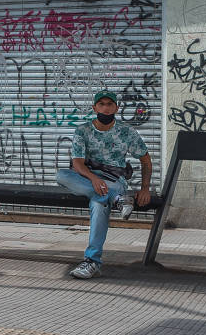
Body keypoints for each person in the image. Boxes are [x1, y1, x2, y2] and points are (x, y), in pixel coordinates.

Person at [56, 89, 152, 279]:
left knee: (98, 204)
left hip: (114, 180)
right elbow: (77, 163)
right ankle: (117, 199)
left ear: (116, 107)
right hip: (88, 179)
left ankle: (92, 262)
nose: (106, 108)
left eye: (110, 104)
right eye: (102, 104)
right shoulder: (83, 130)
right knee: (62, 175)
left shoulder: (126, 132)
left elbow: (146, 160)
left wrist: (145, 188)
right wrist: (94, 178)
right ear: (94, 107)